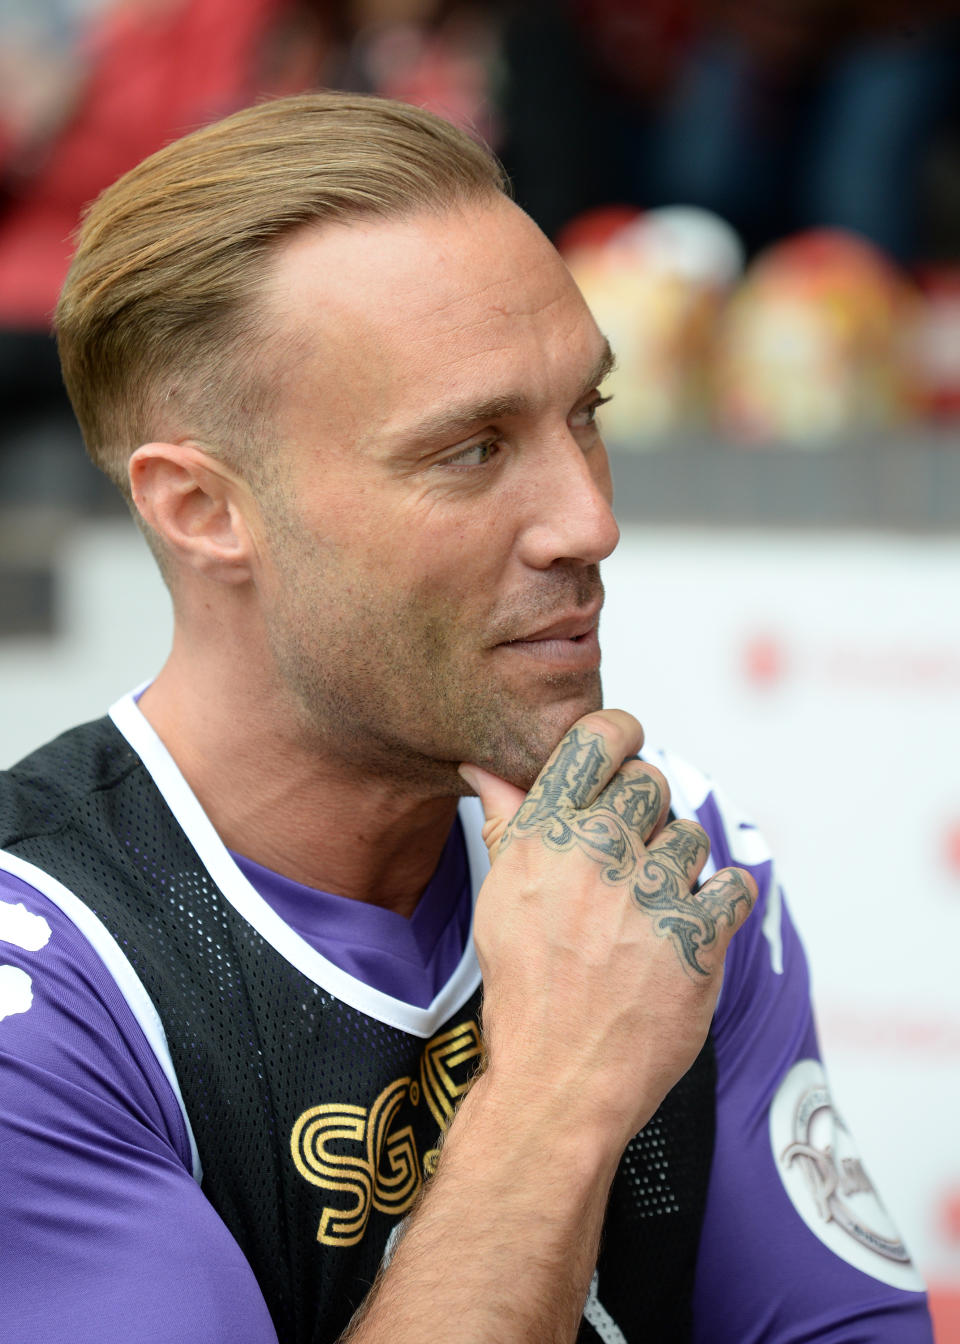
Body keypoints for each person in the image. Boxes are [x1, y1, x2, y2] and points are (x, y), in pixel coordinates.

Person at [0, 93, 933, 1342]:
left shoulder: (660, 857)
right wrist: (556, 1086)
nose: (589, 523)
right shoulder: (46, 990)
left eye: (585, 417)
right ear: (203, 510)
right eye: (472, 450)